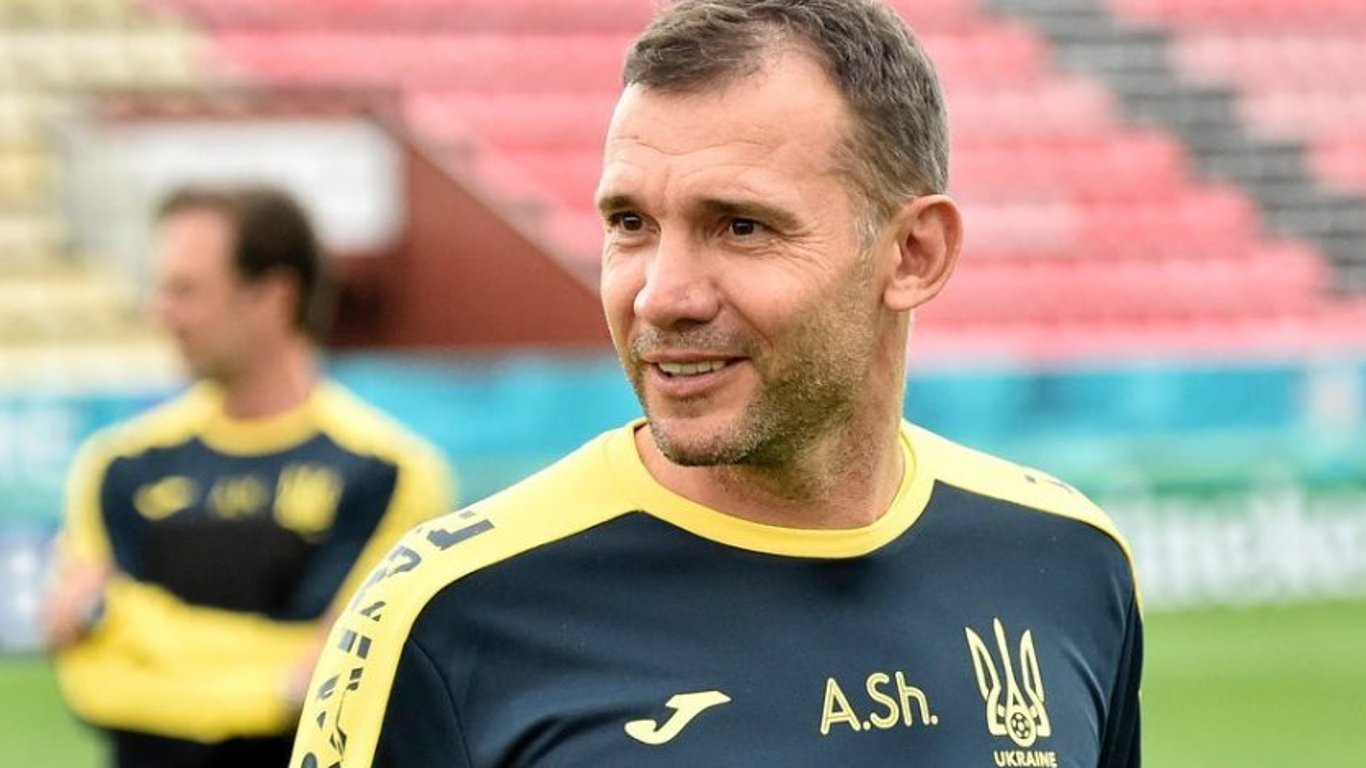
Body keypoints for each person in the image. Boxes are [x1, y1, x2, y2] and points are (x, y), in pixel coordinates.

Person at [291, 0, 1141, 765]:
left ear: (914, 254)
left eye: (740, 226)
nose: (661, 296)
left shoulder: (1068, 560)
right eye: (631, 223)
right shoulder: (448, 612)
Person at [42, 185, 455, 768]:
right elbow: (92, 681)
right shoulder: (117, 463)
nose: (160, 312)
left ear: (272, 296)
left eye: (184, 290)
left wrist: (128, 622)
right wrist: (272, 684)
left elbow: (341, 675)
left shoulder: (390, 470)